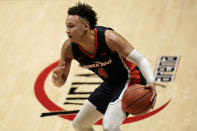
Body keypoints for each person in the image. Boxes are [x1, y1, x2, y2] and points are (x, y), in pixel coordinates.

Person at [52, 2, 157, 131]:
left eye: (71, 26)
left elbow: (140, 60)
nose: (67, 30)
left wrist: (151, 81)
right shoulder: (69, 48)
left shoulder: (109, 38)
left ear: (86, 26)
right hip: (110, 84)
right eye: (66, 26)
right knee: (80, 124)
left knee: (109, 126)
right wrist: (56, 78)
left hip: (131, 79)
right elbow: (60, 82)